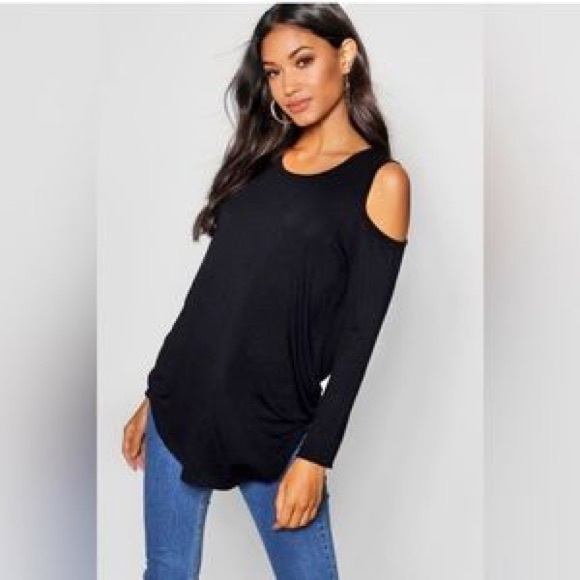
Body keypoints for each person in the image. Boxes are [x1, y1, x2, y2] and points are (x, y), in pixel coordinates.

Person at [122, 4, 410, 579]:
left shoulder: (381, 181)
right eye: (274, 72)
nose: (287, 86)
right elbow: (210, 292)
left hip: (275, 422)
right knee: (166, 571)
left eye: (302, 61)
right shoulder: (261, 161)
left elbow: (359, 339)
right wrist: (155, 392)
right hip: (182, 403)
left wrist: (317, 455)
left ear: (345, 55)